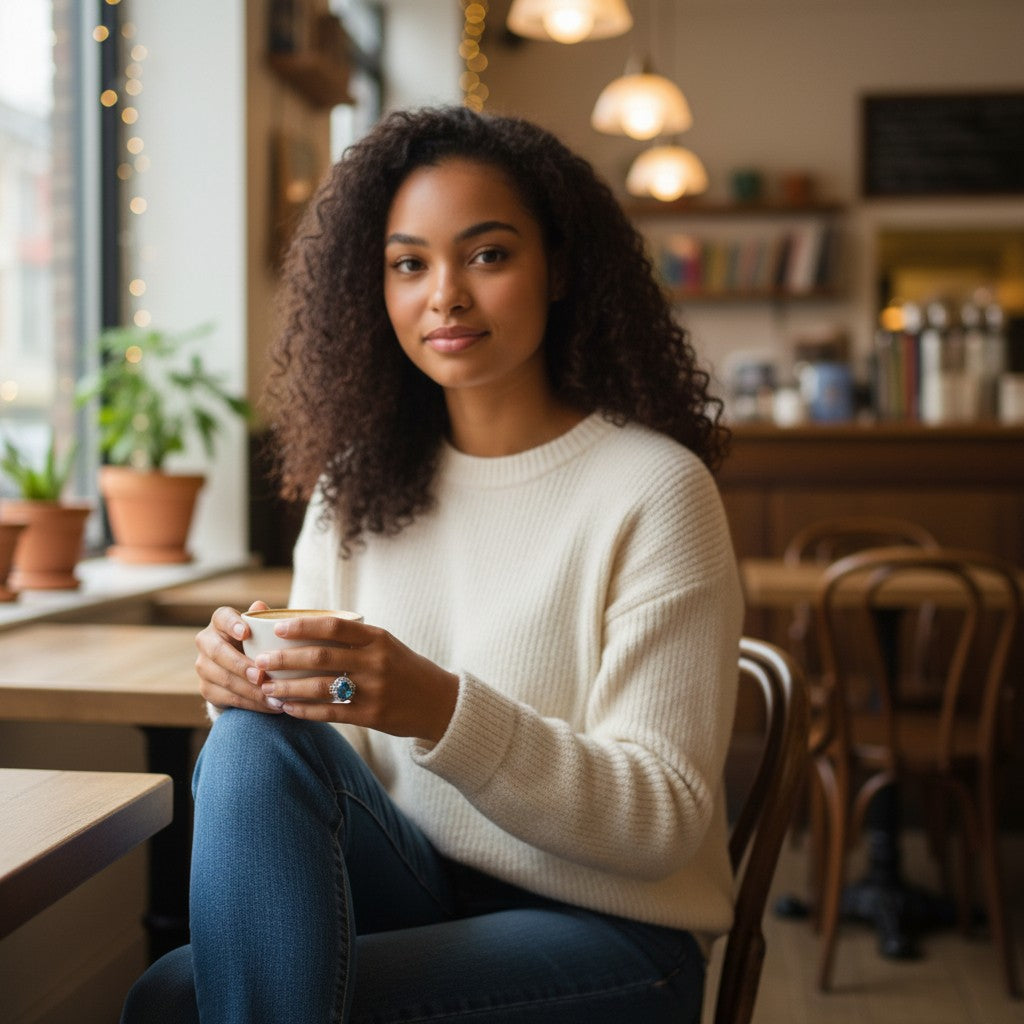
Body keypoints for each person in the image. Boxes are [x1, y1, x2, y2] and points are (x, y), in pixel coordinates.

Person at [121, 105, 743, 1023]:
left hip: (612, 934)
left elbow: (663, 821)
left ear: (561, 267)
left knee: (177, 1002)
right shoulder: (355, 487)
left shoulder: (654, 489)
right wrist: (255, 686)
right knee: (246, 756)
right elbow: (327, 754)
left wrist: (438, 707)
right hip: (413, 886)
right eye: (409, 264)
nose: (445, 295)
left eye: (487, 255)